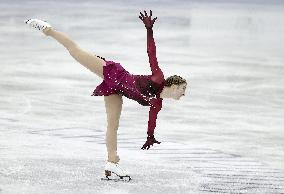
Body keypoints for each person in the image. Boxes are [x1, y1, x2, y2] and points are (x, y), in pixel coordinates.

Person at [25, 10, 187, 181]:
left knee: (113, 126)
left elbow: (151, 122)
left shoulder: (158, 104)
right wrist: (149, 30)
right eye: (183, 88)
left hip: (116, 91)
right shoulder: (158, 78)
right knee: (75, 51)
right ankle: (47, 29)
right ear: (174, 85)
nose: (184, 93)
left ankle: (112, 162)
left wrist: (150, 137)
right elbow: (151, 53)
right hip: (114, 74)